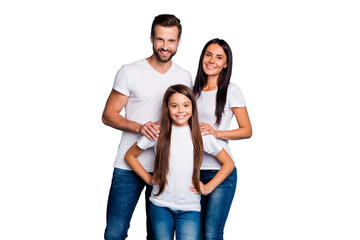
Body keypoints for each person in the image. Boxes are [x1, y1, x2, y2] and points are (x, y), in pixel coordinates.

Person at [102, 14, 192, 240]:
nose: (165, 46)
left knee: (157, 236)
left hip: (166, 168)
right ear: (151, 38)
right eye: (160, 39)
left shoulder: (184, 76)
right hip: (128, 166)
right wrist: (140, 127)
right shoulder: (129, 71)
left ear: (179, 42)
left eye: (171, 41)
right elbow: (108, 115)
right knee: (115, 233)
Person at [124, 84, 235, 240]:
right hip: (160, 205)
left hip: (190, 208)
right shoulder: (158, 132)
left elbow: (228, 163)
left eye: (186, 105)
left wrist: (208, 188)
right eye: (174, 106)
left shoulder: (202, 136)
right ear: (167, 108)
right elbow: (130, 156)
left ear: (193, 107)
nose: (181, 110)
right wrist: (148, 179)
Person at [193, 38, 253, 240]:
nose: (212, 60)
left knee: (211, 234)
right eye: (208, 54)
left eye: (219, 57)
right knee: (195, 234)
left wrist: (217, 133)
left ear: (226, 64)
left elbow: (247, 130)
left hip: (220, 172)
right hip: (192, 171)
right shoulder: (192, 91)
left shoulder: (231, 90)